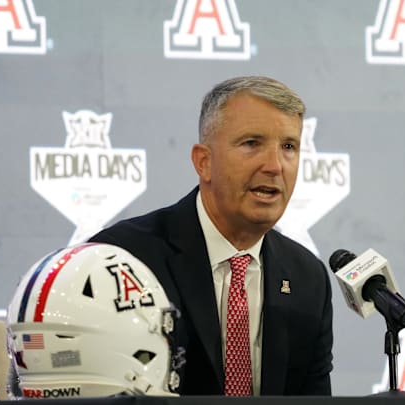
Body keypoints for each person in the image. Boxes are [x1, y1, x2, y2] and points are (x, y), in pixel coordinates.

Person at [88, 75, 333, 396]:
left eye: (289, 147)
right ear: (203, 162)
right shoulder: (122, 259)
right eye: (251, 143)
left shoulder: (307, 278)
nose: (275, 166)